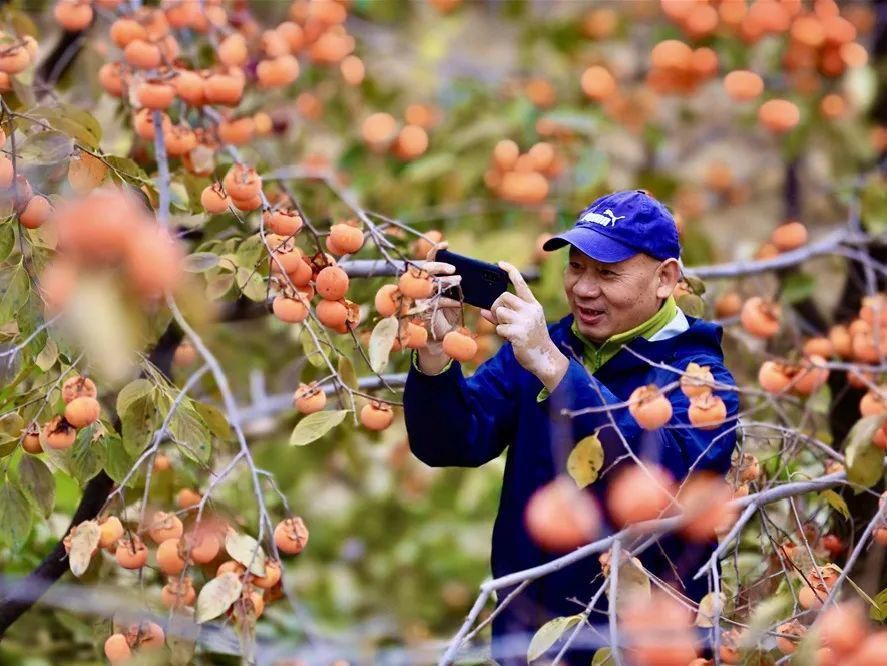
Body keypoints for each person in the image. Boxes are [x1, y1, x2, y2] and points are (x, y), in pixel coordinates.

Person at [402, 190, 739, 664]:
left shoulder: (700, 378)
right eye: (577, 267)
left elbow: (662, 479)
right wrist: (434, 356)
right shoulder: (548, 347)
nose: (583, 288)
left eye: (607, 273)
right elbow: (452, 439)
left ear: (665, 279)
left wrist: (557, 372)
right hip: (531, 644)